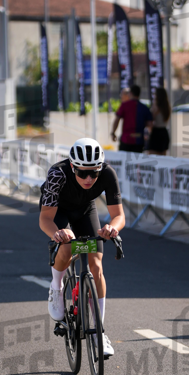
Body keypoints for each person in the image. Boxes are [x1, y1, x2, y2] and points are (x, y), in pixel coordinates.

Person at [39, 137, 125, 358]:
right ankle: (56, 287)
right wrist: (57, 233)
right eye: (82, 173)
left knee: (96, 264)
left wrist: (112, 229)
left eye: (93, 173)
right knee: (68, 248)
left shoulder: (107, 174)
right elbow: (45, 219)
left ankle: (99, 332)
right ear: (72, 166)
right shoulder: (57, 174)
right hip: (59, 211)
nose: (89, 178)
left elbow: (118, 216)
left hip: (85, 210)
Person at [111, 84, 153, 152]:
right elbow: (149, 124)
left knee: (124, 161)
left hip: (126, 139)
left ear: (130, 93)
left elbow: (117, 120)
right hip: (139, 140)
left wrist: (113, 133)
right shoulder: (144, 108)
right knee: (137, 161)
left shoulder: (124, 105)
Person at [145, 87, 171, 155]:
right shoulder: (167, 106)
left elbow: (151, 119)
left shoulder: (156, 106)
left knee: (152, 155)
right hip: (164, 132)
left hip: (156, 132)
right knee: (163, 156)